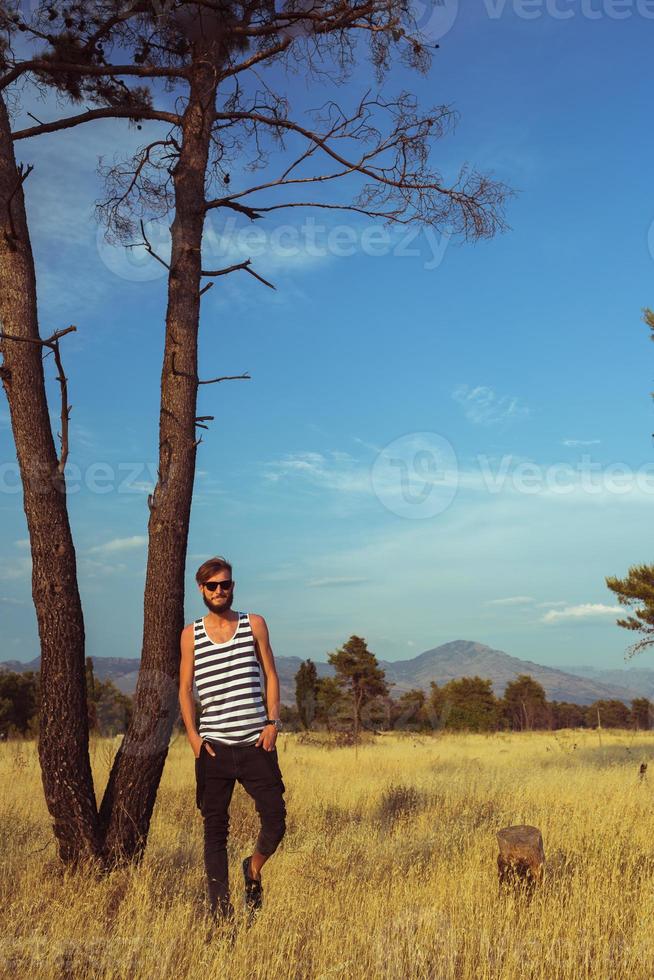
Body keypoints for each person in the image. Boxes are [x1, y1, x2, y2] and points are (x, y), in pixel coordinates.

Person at [179, 555, 286, 925]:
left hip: (257, 743)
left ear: (233, 586)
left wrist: (273, 722)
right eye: (212, 586)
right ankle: (221, 917)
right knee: (214, 833)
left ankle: (252, 868)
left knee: (276, 819)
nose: (220, 590)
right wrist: (193, 737)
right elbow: (184, 688)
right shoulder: (190, 634)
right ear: (202, 590)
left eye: (225, 584)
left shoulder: (253, 624)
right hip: (213, 749)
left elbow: (271, 674)